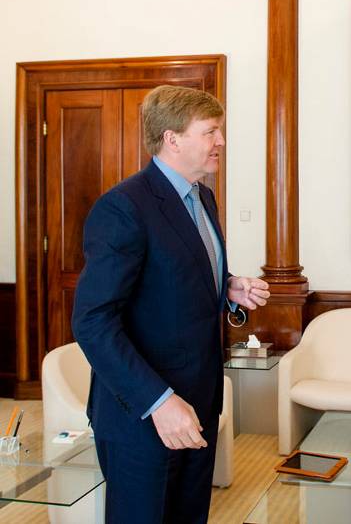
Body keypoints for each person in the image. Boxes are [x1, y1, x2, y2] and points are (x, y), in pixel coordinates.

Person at [72, 85, 270, 523]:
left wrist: (228, 286)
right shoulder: (123, 207)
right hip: (143, 415)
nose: (221, 141)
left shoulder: (203, 197)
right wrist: (159, 402)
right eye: (210, 131)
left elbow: (177, 271)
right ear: (172, 138)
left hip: (200, 403)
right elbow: (92, 322)